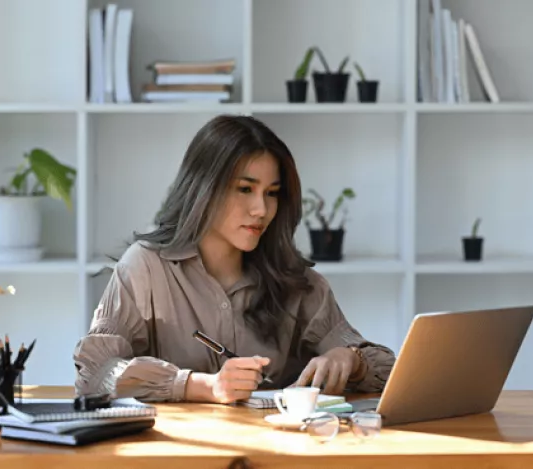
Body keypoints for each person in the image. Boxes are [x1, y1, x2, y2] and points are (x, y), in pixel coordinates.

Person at [73, 114, 395, 404]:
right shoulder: (145, 268)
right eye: (245, 189)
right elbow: (96, 373)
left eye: (271, 193)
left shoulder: (296, 280)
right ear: (204, 189)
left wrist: (350, 359)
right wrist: (200, 386)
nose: (261, 209)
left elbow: (390, 369)